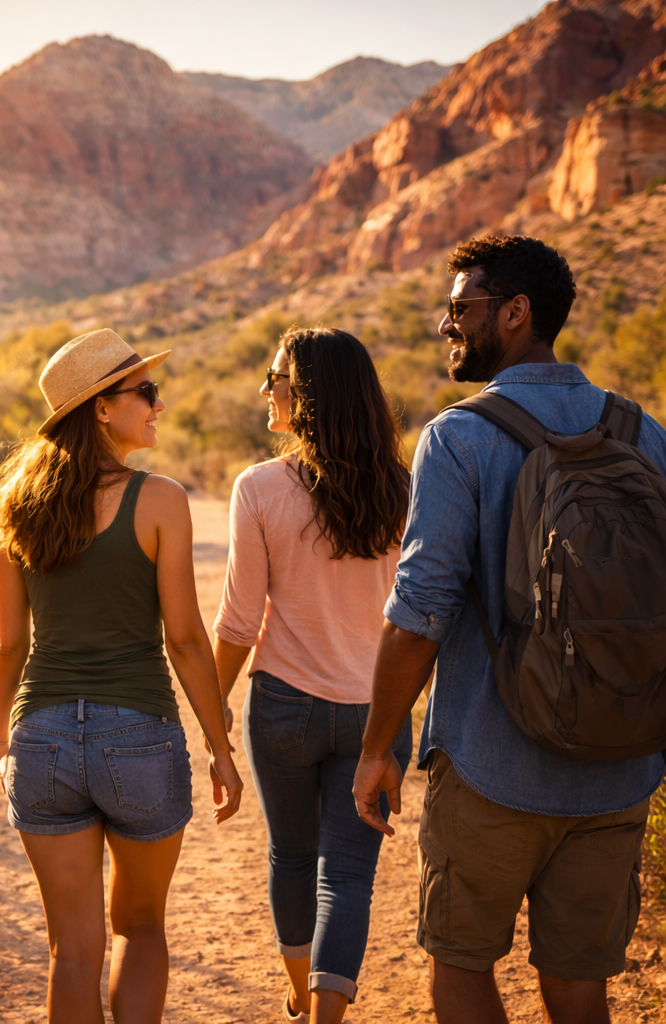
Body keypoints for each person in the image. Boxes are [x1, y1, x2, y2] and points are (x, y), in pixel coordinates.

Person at [352, 235, 666, 1024]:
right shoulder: (646, 435)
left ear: (517, 313)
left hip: (493, 764)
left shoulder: (459, 437)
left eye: (461, 307)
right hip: (621, 768)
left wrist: (376, 748)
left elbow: (420, 611)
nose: (446, 325)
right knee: (579, 984)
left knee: (460, 968)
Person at [0, 328, 243, 1024]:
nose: (157, 405)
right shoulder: (159, 500)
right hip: (139, 736)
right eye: (145, 393)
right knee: (141, 928)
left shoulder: (15, 505)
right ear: (101, 408)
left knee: (72, 949)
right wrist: (220, 746)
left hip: (40, 738)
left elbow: (9, 646)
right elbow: (185, 638)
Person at [213, 327, 412, 1024]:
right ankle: (325, 1013)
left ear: (309, 395)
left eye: (277, 378)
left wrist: (213, 718)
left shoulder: (261, 487)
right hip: (377, 715)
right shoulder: (406, 490)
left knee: (292, 858)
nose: (266, 390)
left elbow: (238, 623)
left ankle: (298, 992)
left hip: (284, 707)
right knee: (349, 875)